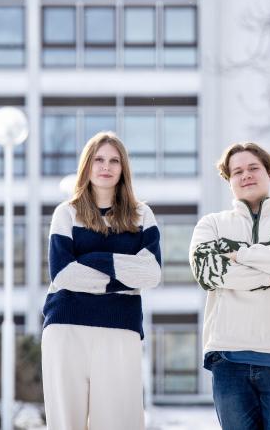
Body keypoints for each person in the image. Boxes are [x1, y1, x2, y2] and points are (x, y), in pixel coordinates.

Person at [189, 142, 270, 430]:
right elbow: (207, 271)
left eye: (253, 168)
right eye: (237, 171)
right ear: (229, 180)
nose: (246, 175)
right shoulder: (211, 225)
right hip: (229, 357)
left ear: (269, 173)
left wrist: (241, 254)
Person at [41, 131, 161, 430]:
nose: (106, 166)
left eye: (114, 160)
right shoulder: (66, 213)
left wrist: (96, 260)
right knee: (66, 423)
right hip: (67, 326)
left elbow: (151, 273)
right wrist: (122, 275)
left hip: (121, 327)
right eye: (98, 159)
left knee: (120, 422)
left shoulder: (141, 215)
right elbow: (63, 273)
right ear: (87, 165)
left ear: (123, 169)